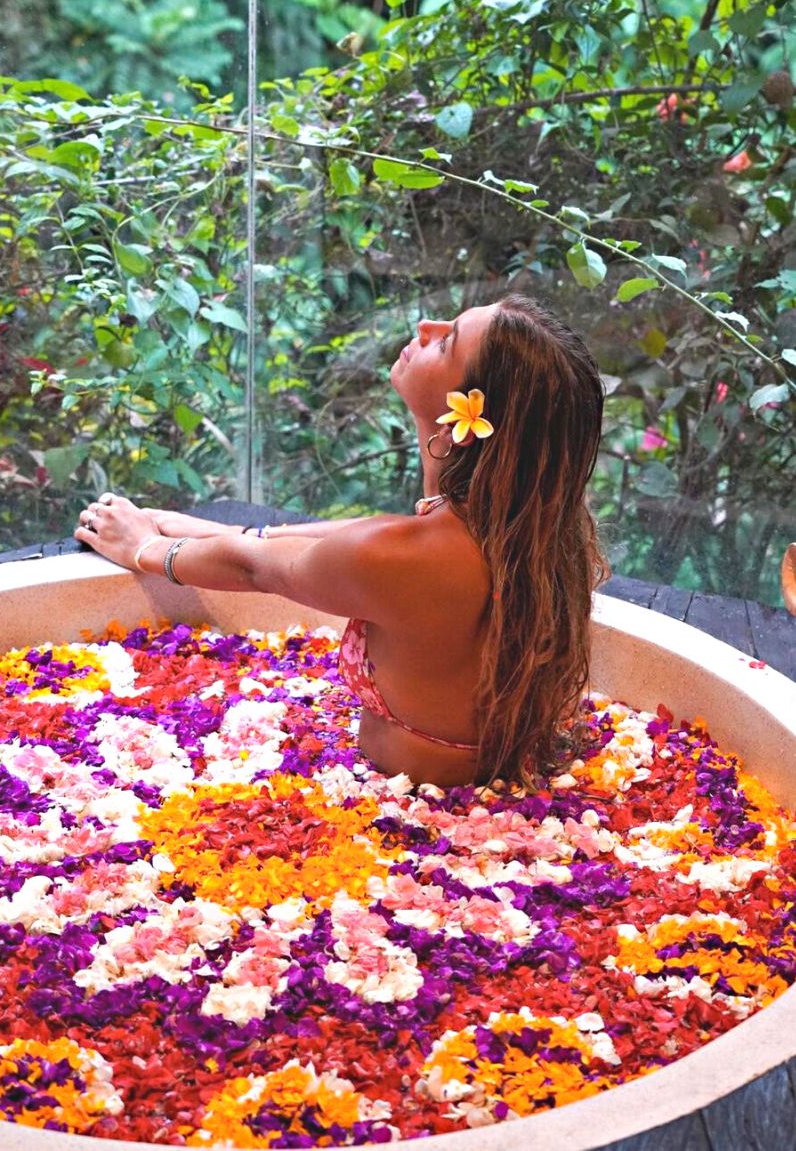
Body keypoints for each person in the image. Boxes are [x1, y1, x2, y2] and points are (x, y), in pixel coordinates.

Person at [75, 294, 608, 790]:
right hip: (498, 793)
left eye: (447, 341)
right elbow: (367, 536)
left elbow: (256, 569)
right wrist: (219, 531)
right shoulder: (528, 534)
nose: (427, 326)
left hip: (423, 823)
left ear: (468, 416)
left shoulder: (410, 557)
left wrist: (144, 549)